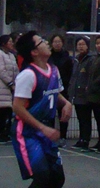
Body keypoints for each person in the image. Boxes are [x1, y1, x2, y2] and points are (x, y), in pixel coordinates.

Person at [13, 31, 74, 187]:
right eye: (41, 41)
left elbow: (55, 93)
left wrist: (66, 103)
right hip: (28, 132)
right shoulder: (28, 75)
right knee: (42, 177)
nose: (47, 42)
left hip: (46, 129)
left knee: (57, 178)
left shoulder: (53, 70)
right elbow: (18, 108)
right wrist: (42, 128)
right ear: (34, 52)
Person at [0, 34, 20, 144]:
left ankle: (5, 133)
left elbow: (16, 70)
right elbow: (1, 71)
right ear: (4, 44)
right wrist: (10, 83)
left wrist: (17, 82)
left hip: (10, 88)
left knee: (8, 111)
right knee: (0, 111)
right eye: (10, 42)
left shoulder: (12, 56)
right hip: (1, 87)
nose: (12, 44)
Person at [68, 36, 95, 150]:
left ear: (88, 46)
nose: (81, 46)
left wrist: (87, 88)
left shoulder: (90, 59)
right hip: (76, 93)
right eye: (79, 44)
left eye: (83, 44)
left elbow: (91, 76)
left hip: (85, 94)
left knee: (85, 118)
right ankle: (81, 139)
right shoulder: (76, 60)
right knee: (80, 118)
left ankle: (85, 140)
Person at [48, 34, 73, 147]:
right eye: (55, 41)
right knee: (50, 114)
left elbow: (70, 73)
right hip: (49, 89)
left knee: (63, 114)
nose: (57, 43)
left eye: (59, 41)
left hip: (63, 89)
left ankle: (63, 137)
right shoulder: (48, 57)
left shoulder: (67, 57)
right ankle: (50, 136)